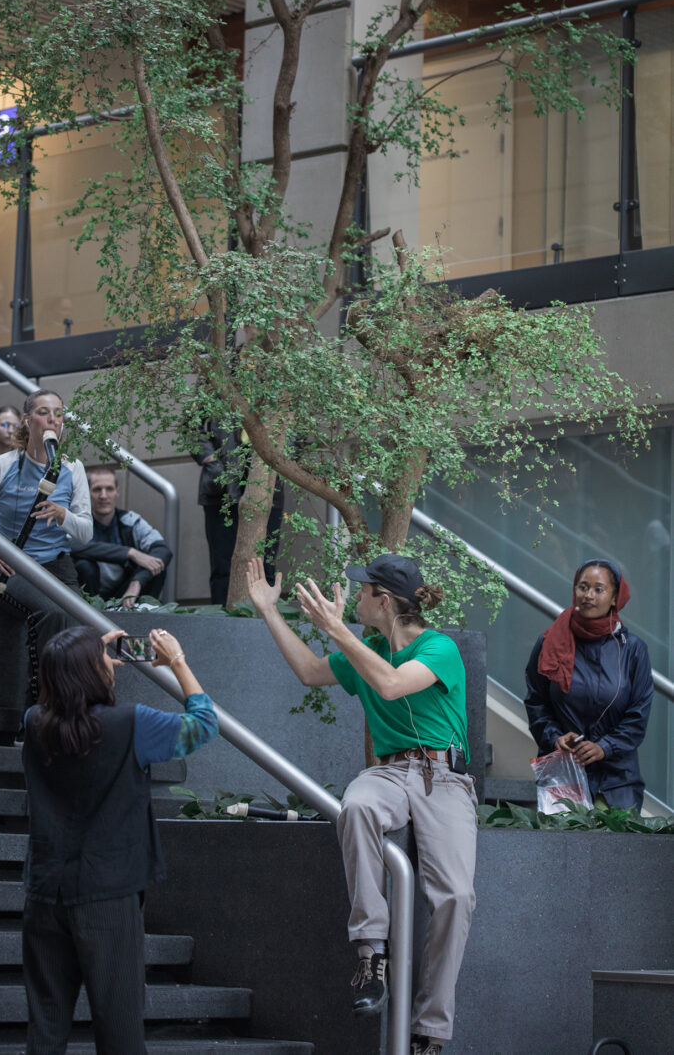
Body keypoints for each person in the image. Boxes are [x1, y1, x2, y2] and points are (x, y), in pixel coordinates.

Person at [246, 553, 477, 1055]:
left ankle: (430, 1031)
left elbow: (392, 684)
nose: (355, 598)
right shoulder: (367, 647)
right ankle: (372, 952)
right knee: (357, 806)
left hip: (444, 777)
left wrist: (336, 630)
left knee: (455, 898)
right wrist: (269, 611)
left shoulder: (440, 648)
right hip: (391, 771)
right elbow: (309, 672)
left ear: (385, 601)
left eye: (364, 590)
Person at [22, 624, 218, 1054]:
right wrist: (178, 662)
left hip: (45, 893)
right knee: (120, 1030)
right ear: (90, 672)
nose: (112, 662)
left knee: (47, 1026)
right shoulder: (131, 724)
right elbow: (204, 724)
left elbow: (64, 694)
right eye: (105, 658)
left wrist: (84, 649)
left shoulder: (35, 723)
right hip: (107, 897)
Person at [0, 390, 92, 732]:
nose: (52, 420)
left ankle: (74, 718)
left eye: (58, 413)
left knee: (84, 627)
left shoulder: (72, 467)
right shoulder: (2, 465)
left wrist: (64, 516)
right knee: (54, 612)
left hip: (57, 565)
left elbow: (86, 534)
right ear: (27, 420)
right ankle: (37, 716)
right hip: (11, 565)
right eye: (44, 413)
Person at [524, 558, 654, 811]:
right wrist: (555, 737)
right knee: (559, 849)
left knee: (615, 849)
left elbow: (638, 715)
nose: (588, 595)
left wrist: (605, 747)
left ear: (616, 597)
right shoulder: (550, 642)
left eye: (598, 589)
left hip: (617, 780)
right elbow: (536, 701)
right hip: (564, 771)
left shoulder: (633, 650)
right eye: (583, 587)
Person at [194, 419, 283, 604]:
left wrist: (282, 462)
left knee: (265, 566)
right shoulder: (213, 389)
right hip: (221, 483)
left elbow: (297, 433)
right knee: (223, 567)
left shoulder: (282, 392)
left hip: (266, 476)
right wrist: (211, 460)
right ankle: (224, 627)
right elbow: (189, 426)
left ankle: (265, 628)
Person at [70, 467, 173, 606]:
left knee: (156, 567)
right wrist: (130, 553)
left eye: (109, 489)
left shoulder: (130, 521)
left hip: (125, 593)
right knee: (85, 566)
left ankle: (142, 616)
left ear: (117, 491)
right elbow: (72, 545)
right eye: (97, 489)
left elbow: (162, 550)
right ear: (87, 493)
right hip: (88, 597)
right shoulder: (78, 521)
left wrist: (138, 581)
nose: (103, 496)